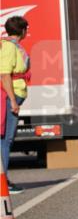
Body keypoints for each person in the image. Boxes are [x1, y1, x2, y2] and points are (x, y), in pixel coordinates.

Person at [0, 16, 31, 193]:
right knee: (5, 140)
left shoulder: (11, 46)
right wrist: (12, 100)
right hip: (8, 97)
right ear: (22, 31)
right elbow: (4, 75)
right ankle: (3, 181)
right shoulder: (10, 47)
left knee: (5, 139)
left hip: (12, 95)